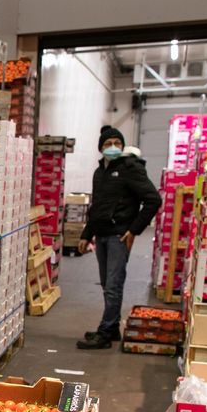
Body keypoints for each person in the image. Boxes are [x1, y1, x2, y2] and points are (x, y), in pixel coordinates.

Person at [76, 126, 162, 350]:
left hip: (119, 236)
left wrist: (134, 229)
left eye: (117, 143)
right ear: (100, 147)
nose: (112, 147)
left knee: (113, 284)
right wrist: (87, 235)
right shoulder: (99, 173)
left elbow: (153, 199)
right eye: (107, 144)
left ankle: (104, 334)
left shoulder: (129, 168)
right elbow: (98, 208)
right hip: (102, 235)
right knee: (107, 284)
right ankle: (112, 327)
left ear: (122, 146)